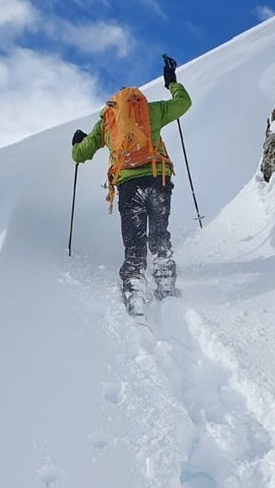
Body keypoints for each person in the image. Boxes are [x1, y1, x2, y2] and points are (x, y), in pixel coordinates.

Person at [71, 56, 192, 314]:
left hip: (128, 187)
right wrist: (172, 83)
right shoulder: (152, 111)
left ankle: (134, 289)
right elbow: (184, 103)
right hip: (158, 180)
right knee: (159, 233)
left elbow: (80, 155)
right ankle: (165, 281)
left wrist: (76, 143)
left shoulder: (107, 123)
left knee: (134, 241)